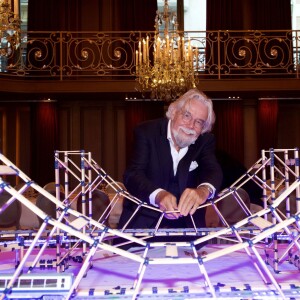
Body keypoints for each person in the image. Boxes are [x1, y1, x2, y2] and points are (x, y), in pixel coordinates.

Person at [117, 89, 223, 247]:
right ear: (173, 113)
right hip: (141, 228)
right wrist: (159, 195)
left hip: (188, 230)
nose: (191, 126)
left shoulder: (205, 140)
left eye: (199, 122)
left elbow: (213, 170)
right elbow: (133, 174)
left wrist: (203, 191)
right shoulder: (146, 132)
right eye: (186, 115)